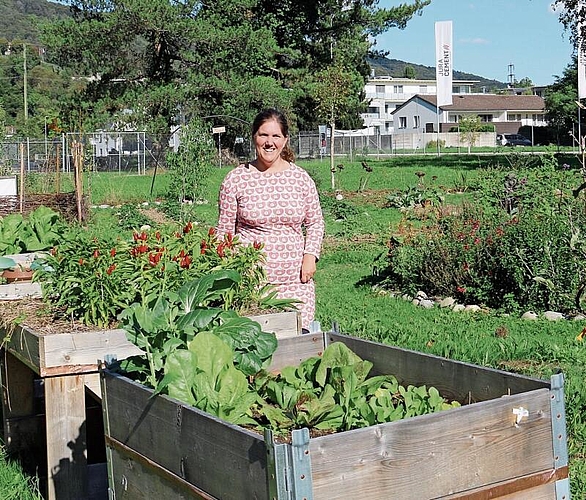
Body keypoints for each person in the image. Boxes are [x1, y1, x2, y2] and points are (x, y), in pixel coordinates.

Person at [216, 108, 324, 331]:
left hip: (295, 282)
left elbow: (315, 222)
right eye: (263, 135)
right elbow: (225, 232)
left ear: (285, 140)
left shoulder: (300, 178)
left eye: (275, 136)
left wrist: (310, 256)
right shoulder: (236, 179)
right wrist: (228, 273)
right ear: (254, 137)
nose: (269, 142)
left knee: (294, 344)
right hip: (251, 282)